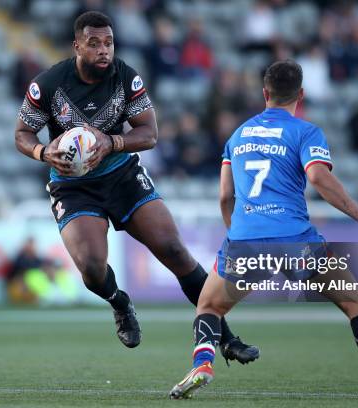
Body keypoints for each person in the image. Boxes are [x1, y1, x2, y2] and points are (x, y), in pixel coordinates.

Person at [14, 12, 258, 363]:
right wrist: (42, 150)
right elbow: (21, 134)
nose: (104, 51)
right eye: (94, 43)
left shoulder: (126, 77)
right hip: (73, 186)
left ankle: (227, 338)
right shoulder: (48, 84)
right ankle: (119, 302)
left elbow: (149, 134)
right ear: (77, 46)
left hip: (122, 175)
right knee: (93, 268)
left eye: (109, 43)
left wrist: (111, 142)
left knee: (175, 250)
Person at [169, 61, 358, 400]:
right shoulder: (306, 132)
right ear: (301, 95)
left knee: (208, 307)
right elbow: (318, 177)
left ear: (264, 93)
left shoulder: (238, 135)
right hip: (298, 242)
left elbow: (225, 196)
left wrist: (238, 234)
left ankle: (203, 363)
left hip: (246, 242)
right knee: (356, 304)